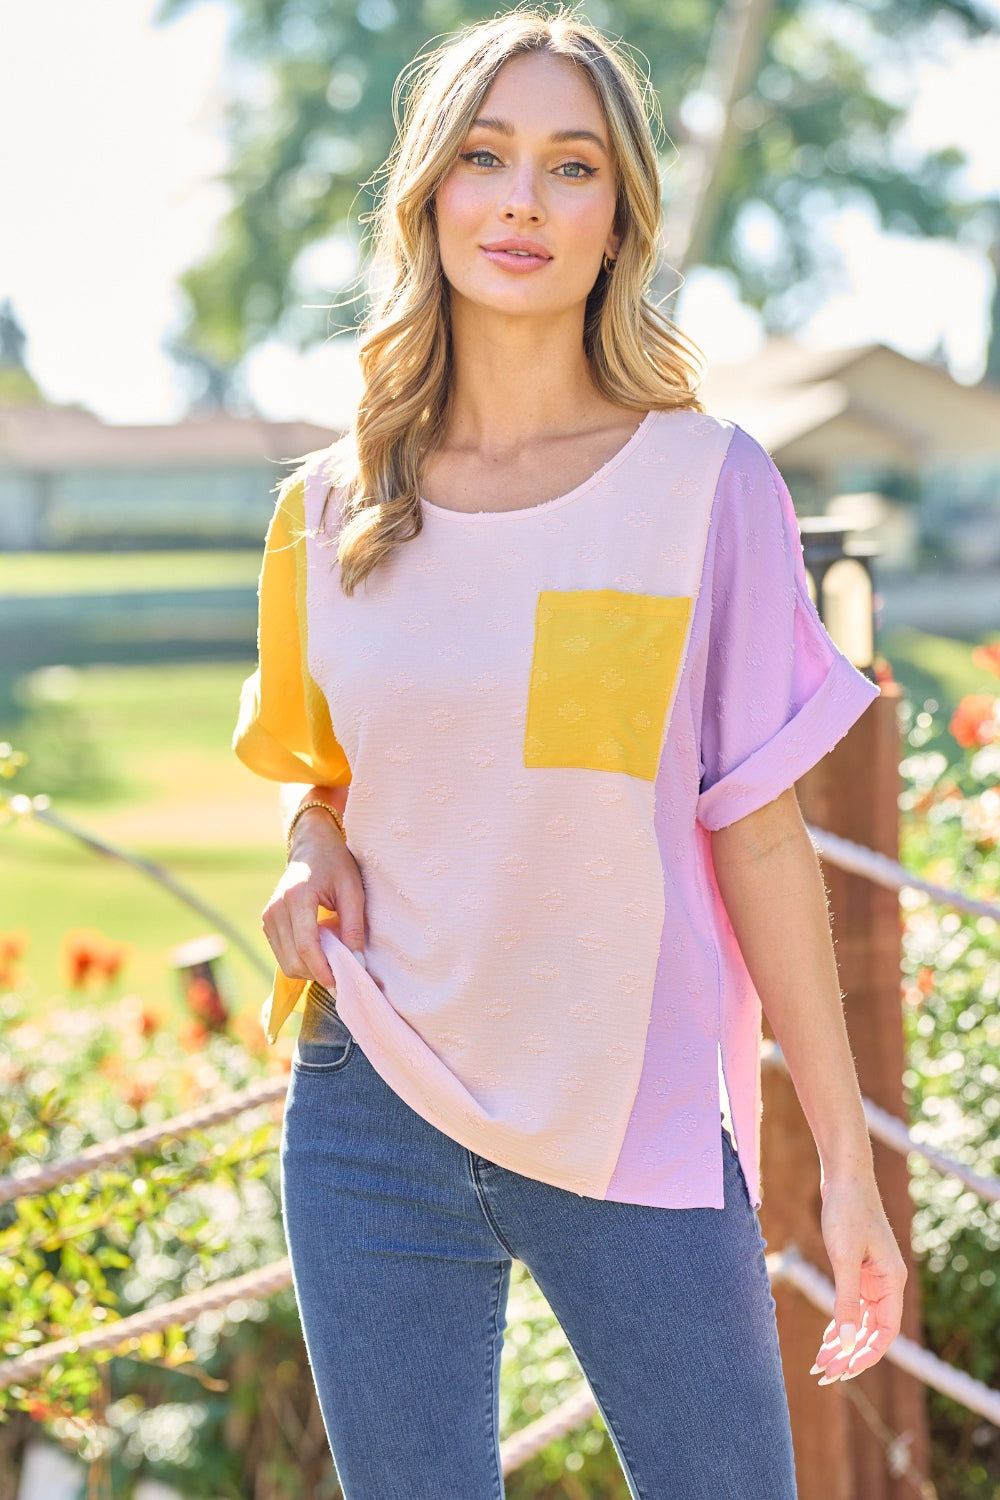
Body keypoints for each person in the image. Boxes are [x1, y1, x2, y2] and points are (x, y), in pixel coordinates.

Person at [232, 8, 907, 1496]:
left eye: (572, 166)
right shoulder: (330, 510)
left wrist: (850, 1167)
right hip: (371, 1110)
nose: (523, 201)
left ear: (620, 219)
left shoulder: (707, 488)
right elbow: (330, 777)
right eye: (485, 158)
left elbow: (760, 832)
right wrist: (308, 837)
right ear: (430, 196)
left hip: (632, 1119)